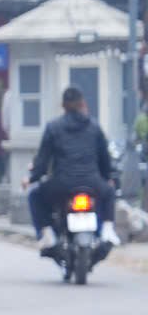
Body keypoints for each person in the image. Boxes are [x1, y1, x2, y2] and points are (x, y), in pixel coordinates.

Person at [26, 86, 113, 245]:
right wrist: (108, 178)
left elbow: (42, 163)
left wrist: (31, 179)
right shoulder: (95, 127)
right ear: (82, 103)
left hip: (61, 186)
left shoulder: (53, 127)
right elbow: (105, 161)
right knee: (109, 191)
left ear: (63, 105)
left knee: (34, 195)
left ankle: (47, 234)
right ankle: (107, 230)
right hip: (92, 183)